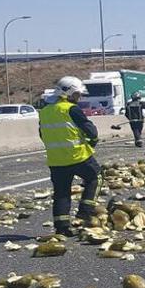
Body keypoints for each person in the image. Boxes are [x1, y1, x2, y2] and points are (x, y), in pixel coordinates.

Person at [38, 76, 101, 236]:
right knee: (96, 178)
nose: (79, 98)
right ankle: (85, 212)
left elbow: (42, 134)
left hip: (56, 161)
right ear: (70, 93)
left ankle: (62, 227)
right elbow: (91, 131)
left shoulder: (44, 112)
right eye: (78, 94)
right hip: (78, 157)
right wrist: (92, 141)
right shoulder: (71, 109)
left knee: (61, 192)